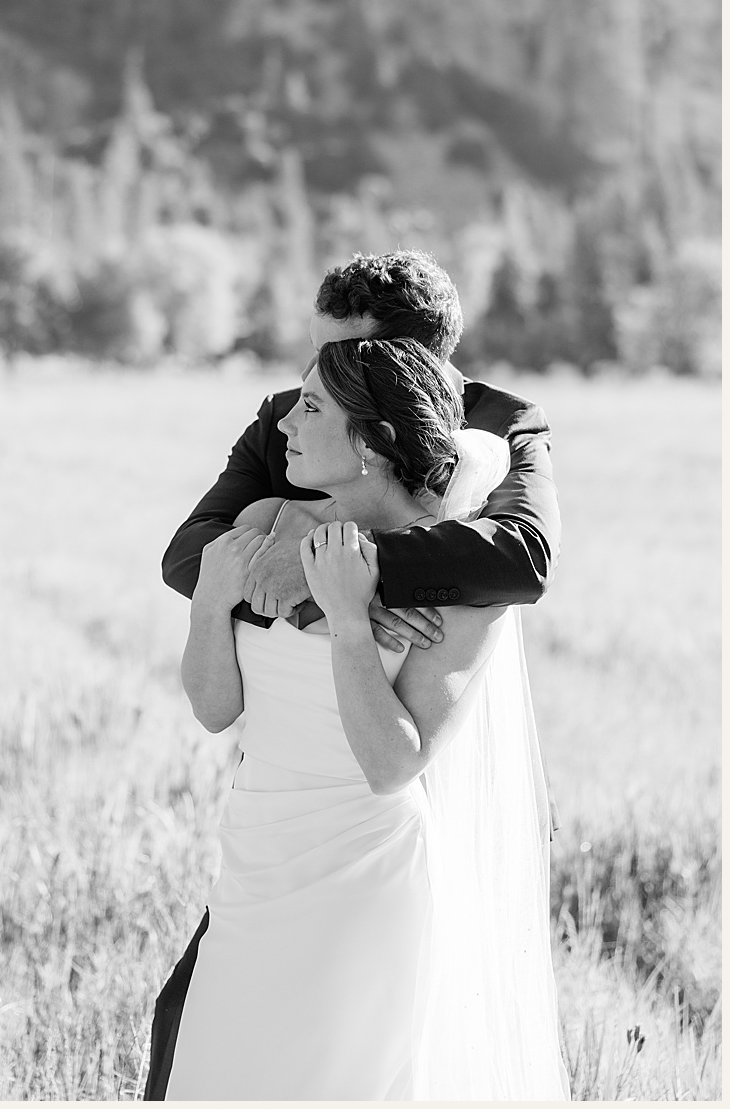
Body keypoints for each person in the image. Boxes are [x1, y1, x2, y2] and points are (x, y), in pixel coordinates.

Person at [147, 251, 562, 1097]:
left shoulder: (506, 422)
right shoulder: (285, 437)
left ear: (404, 364)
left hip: (393, 779)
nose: (291, 403)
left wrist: (356, 583)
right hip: (270, 821)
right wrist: (296, 567)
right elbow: (191, 553)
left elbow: (520, 558)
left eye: (339, 358)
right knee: (194, 1037)